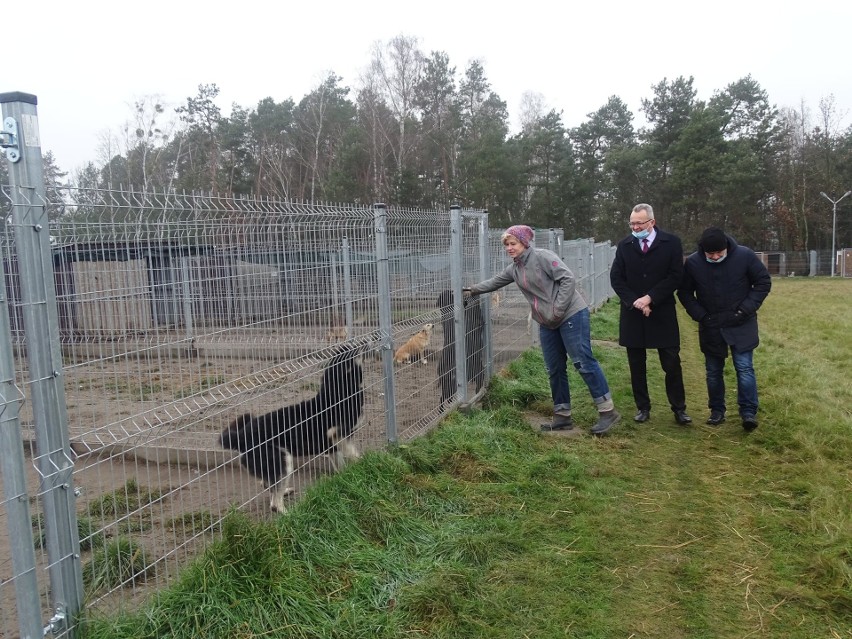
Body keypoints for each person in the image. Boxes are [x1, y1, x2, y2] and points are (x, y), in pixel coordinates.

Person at [464, 225, 620, 436]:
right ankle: (562, 415)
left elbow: (568, 279)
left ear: (524, 243)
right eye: (507, 245)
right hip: (547, 321)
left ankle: (607, 411)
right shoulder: (515, 268)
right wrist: (472, 289)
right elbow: (495, 282)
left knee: (583, 361)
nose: (509, 248)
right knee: (554, 367)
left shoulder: (543, 257)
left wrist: (557, 309)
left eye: (513, 243)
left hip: (571, 314)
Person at [677, 227, 772, 431]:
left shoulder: (745, 256)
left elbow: (763, 282)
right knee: (713, 371)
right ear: (703, 250)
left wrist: (745, 309)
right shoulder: (693, 263)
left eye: (719, 253)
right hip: (711, 325)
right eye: (711, 254)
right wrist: (701, 316)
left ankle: (748, 412)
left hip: (741, 322)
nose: (716, 256)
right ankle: (717, 411)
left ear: (726, 247)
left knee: (745, 369)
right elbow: (684, 293)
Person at [610, 204, 691, 426]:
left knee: (671, 362)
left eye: (639, 223)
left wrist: (650, 298)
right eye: (632, 223)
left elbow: (675, 276)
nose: (635, 227)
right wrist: (635, 301)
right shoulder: (625, 246)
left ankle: (679, 408)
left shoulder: (671, 243)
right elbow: (617, 278)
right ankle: (642, 407)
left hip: (662, 311)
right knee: (637, 364)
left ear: (651, 223)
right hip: (633, 313)